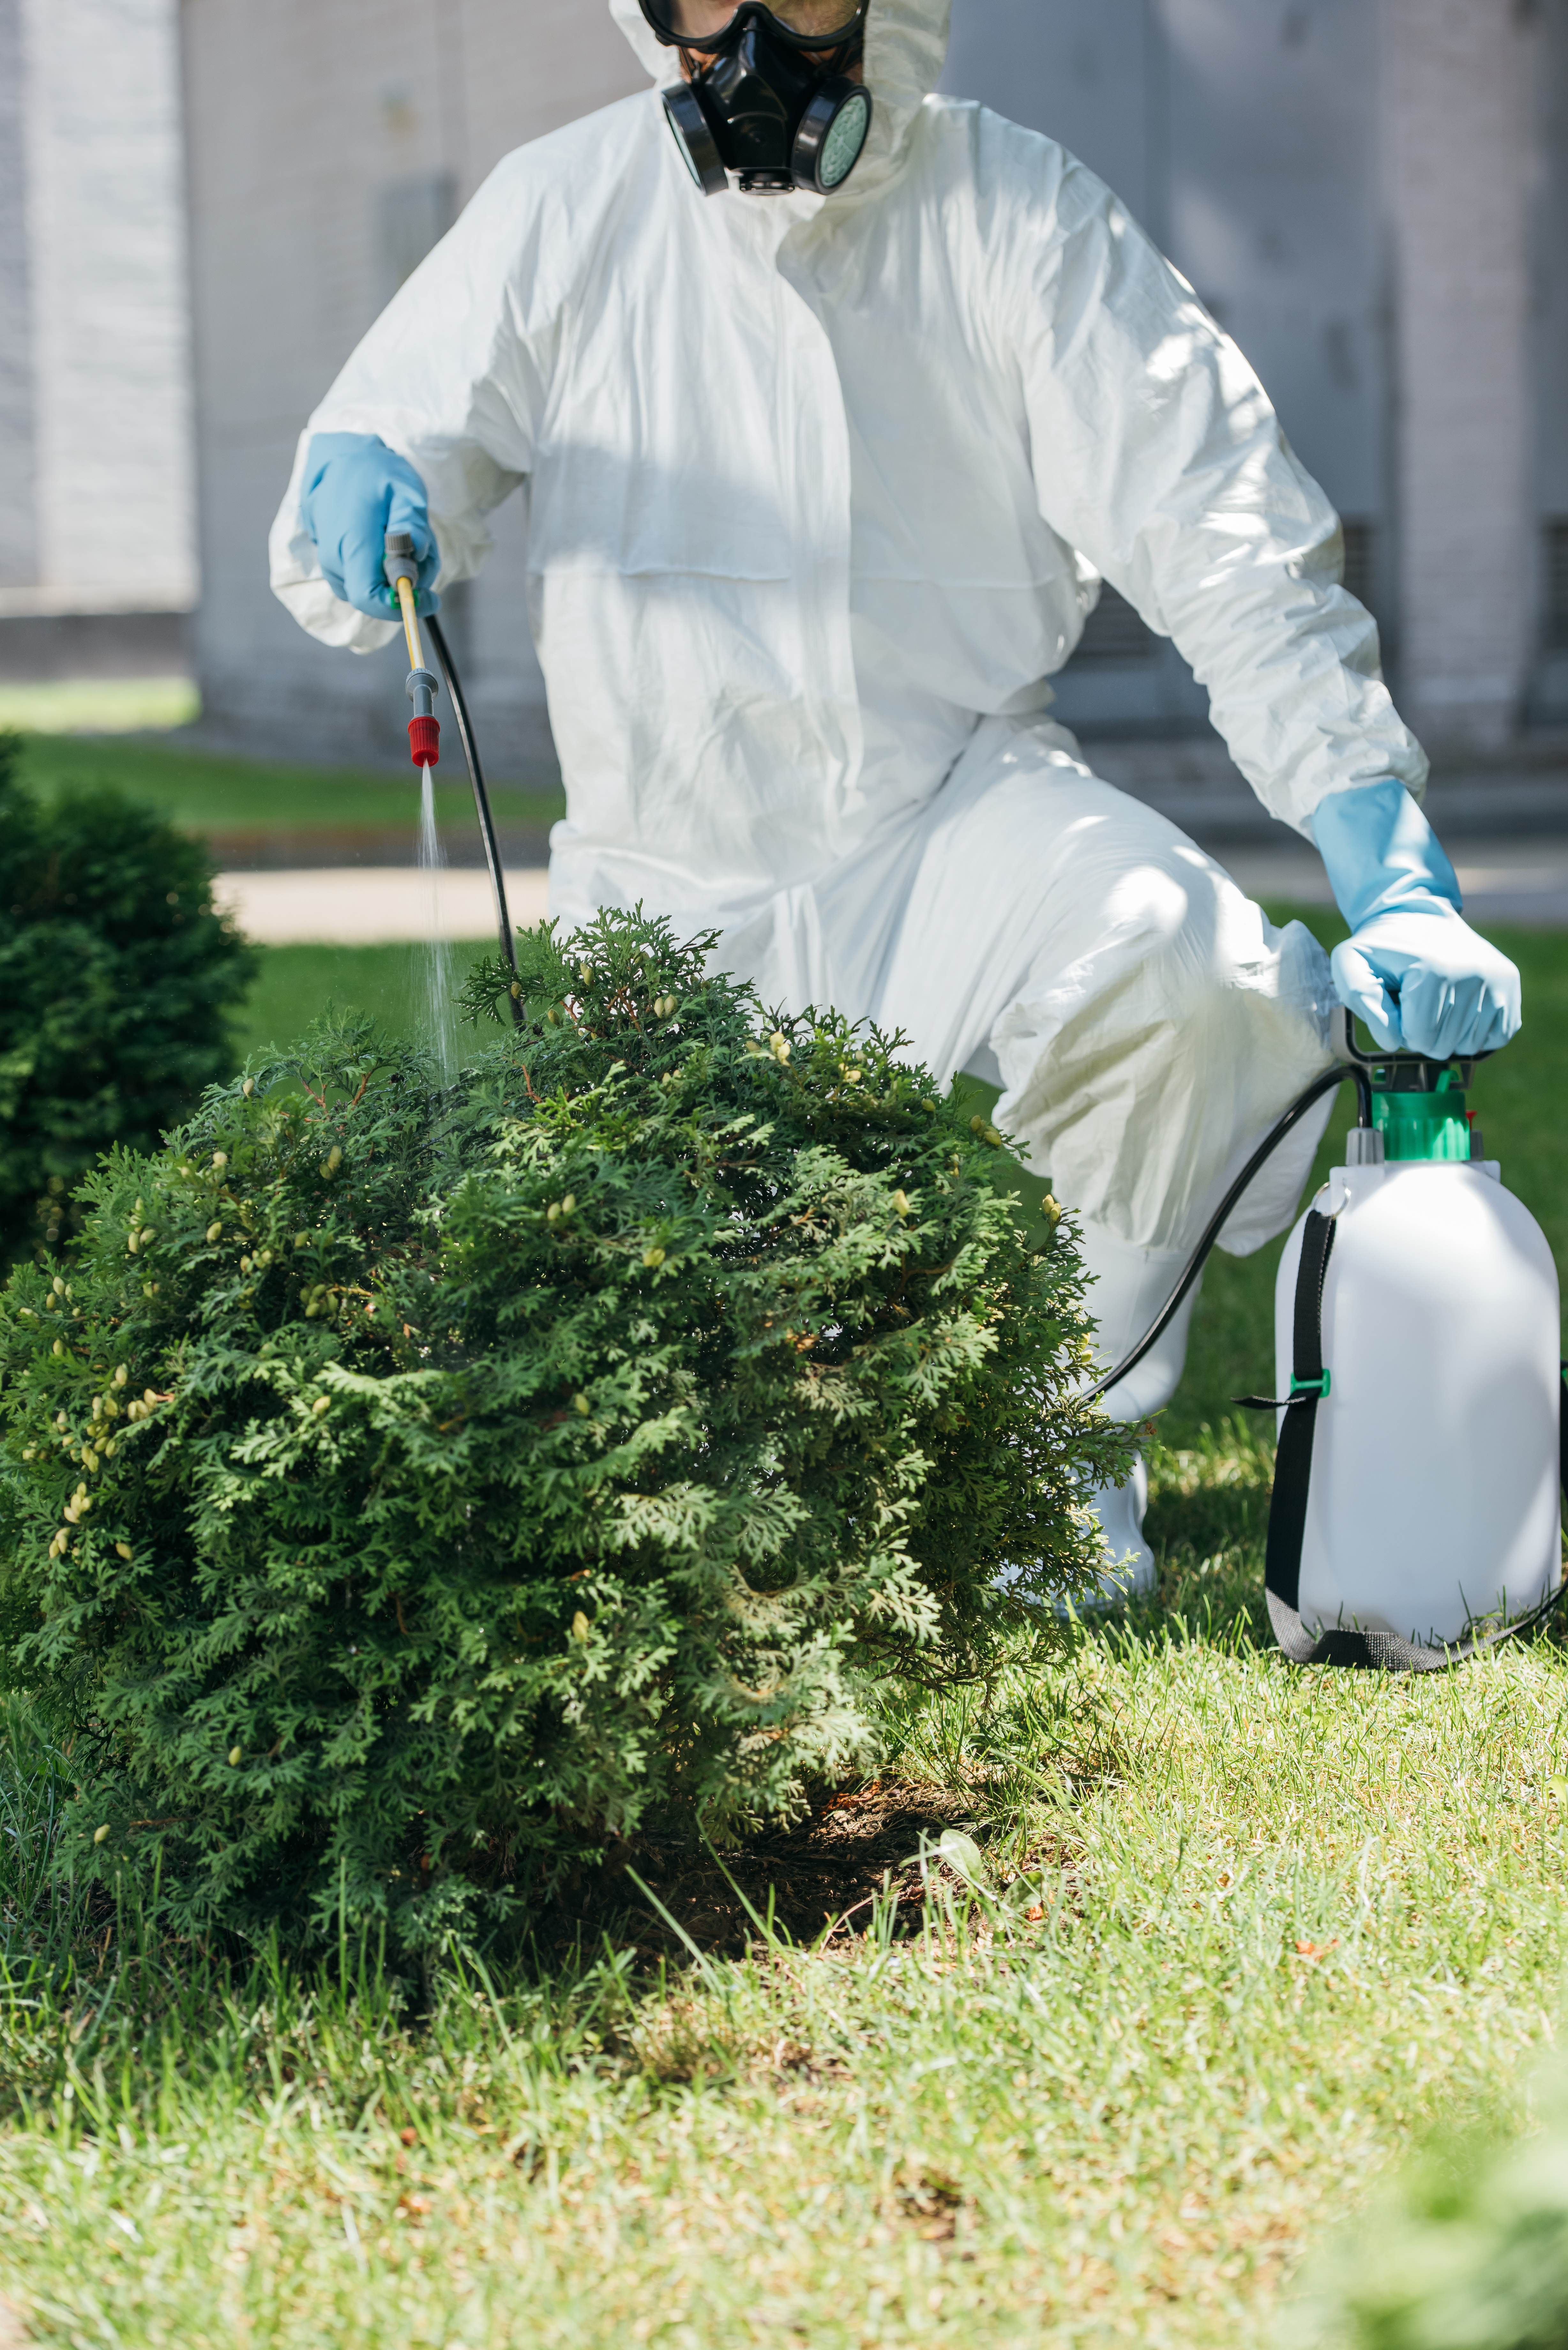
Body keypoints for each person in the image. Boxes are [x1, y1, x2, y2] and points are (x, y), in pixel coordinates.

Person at [271, 0, 1521, 1595]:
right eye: (703, 0)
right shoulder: (563, 207)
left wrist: (1382, 849)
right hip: (670, 872)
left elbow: (1224, 537)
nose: (742, 47)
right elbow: (390, 461)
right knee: (669, 1429)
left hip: (955, 809)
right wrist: (360, 490)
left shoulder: (1020, 212)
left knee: (1191, 990)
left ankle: (1048, 1468)